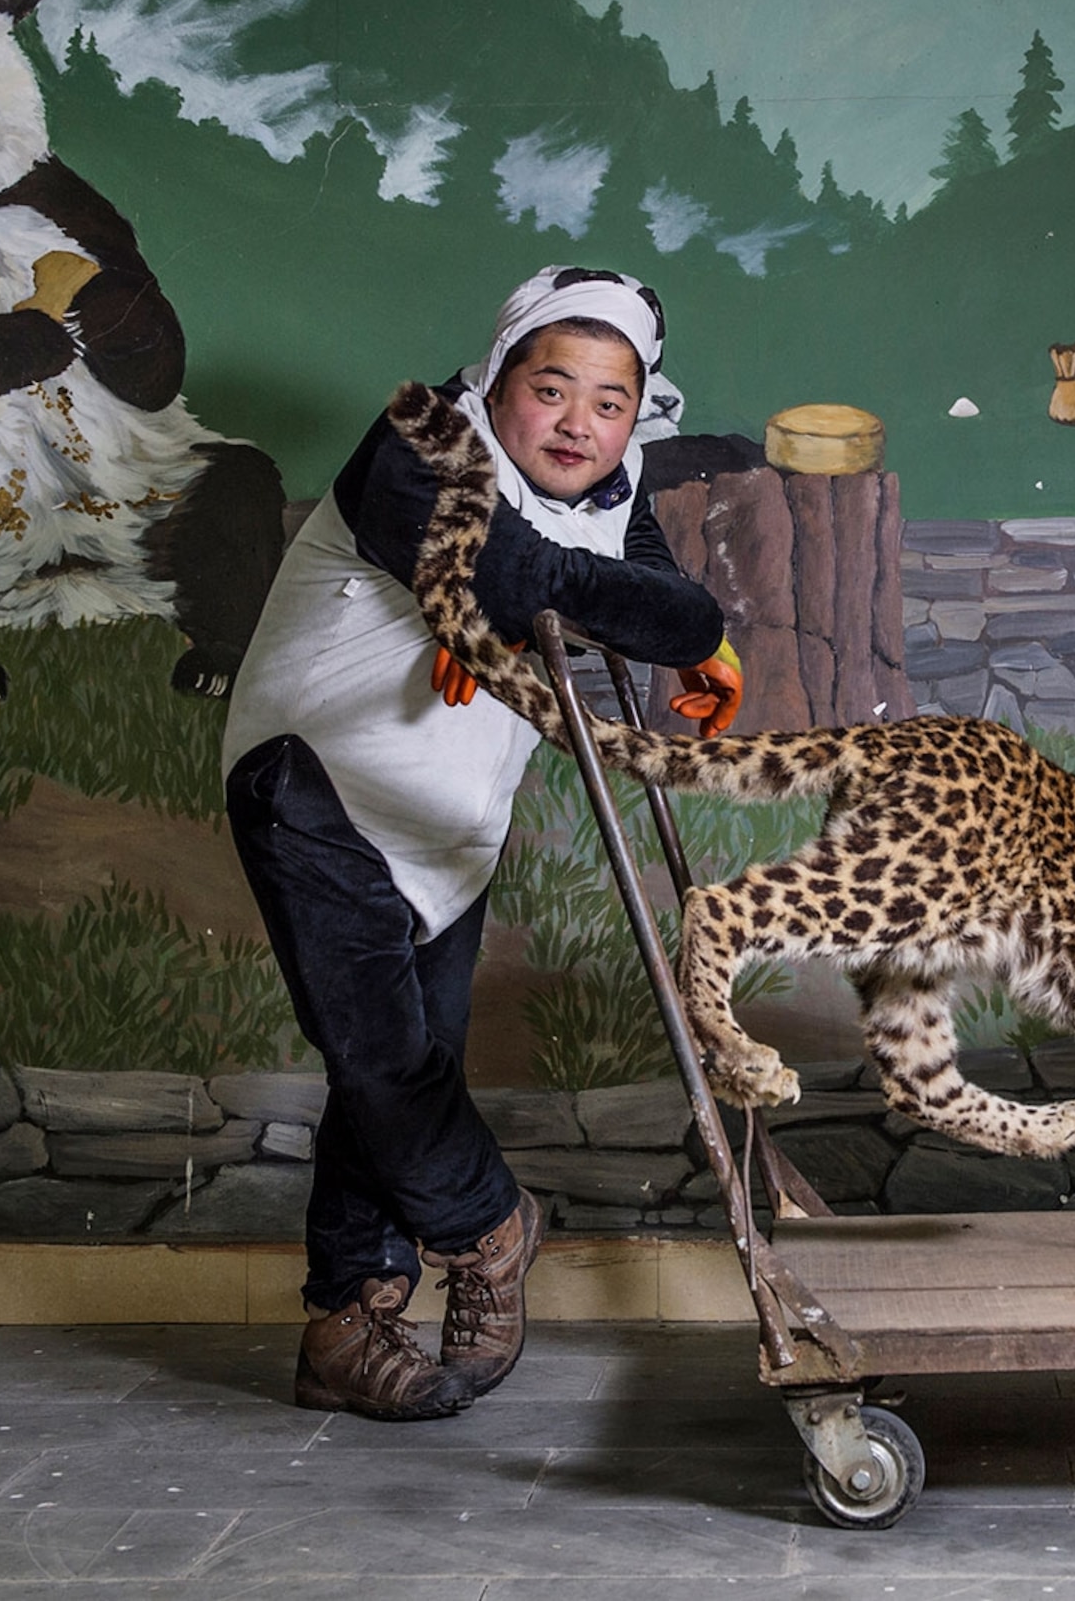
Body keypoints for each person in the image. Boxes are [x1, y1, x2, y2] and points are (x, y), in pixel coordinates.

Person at [220, 266, 742, 1421]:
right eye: (550, 388)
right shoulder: (422, 450)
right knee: (378, 1055)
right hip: (318, 781)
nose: (578, 422)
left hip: (455, 822)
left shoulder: (615, 492)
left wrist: (652, 610)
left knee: (396, 1075)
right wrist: (592, 597)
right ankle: (489, 1224)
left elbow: (682, 613)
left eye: (609, 402)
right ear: (496, 378)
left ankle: (345, 1323)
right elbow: (519, 575)